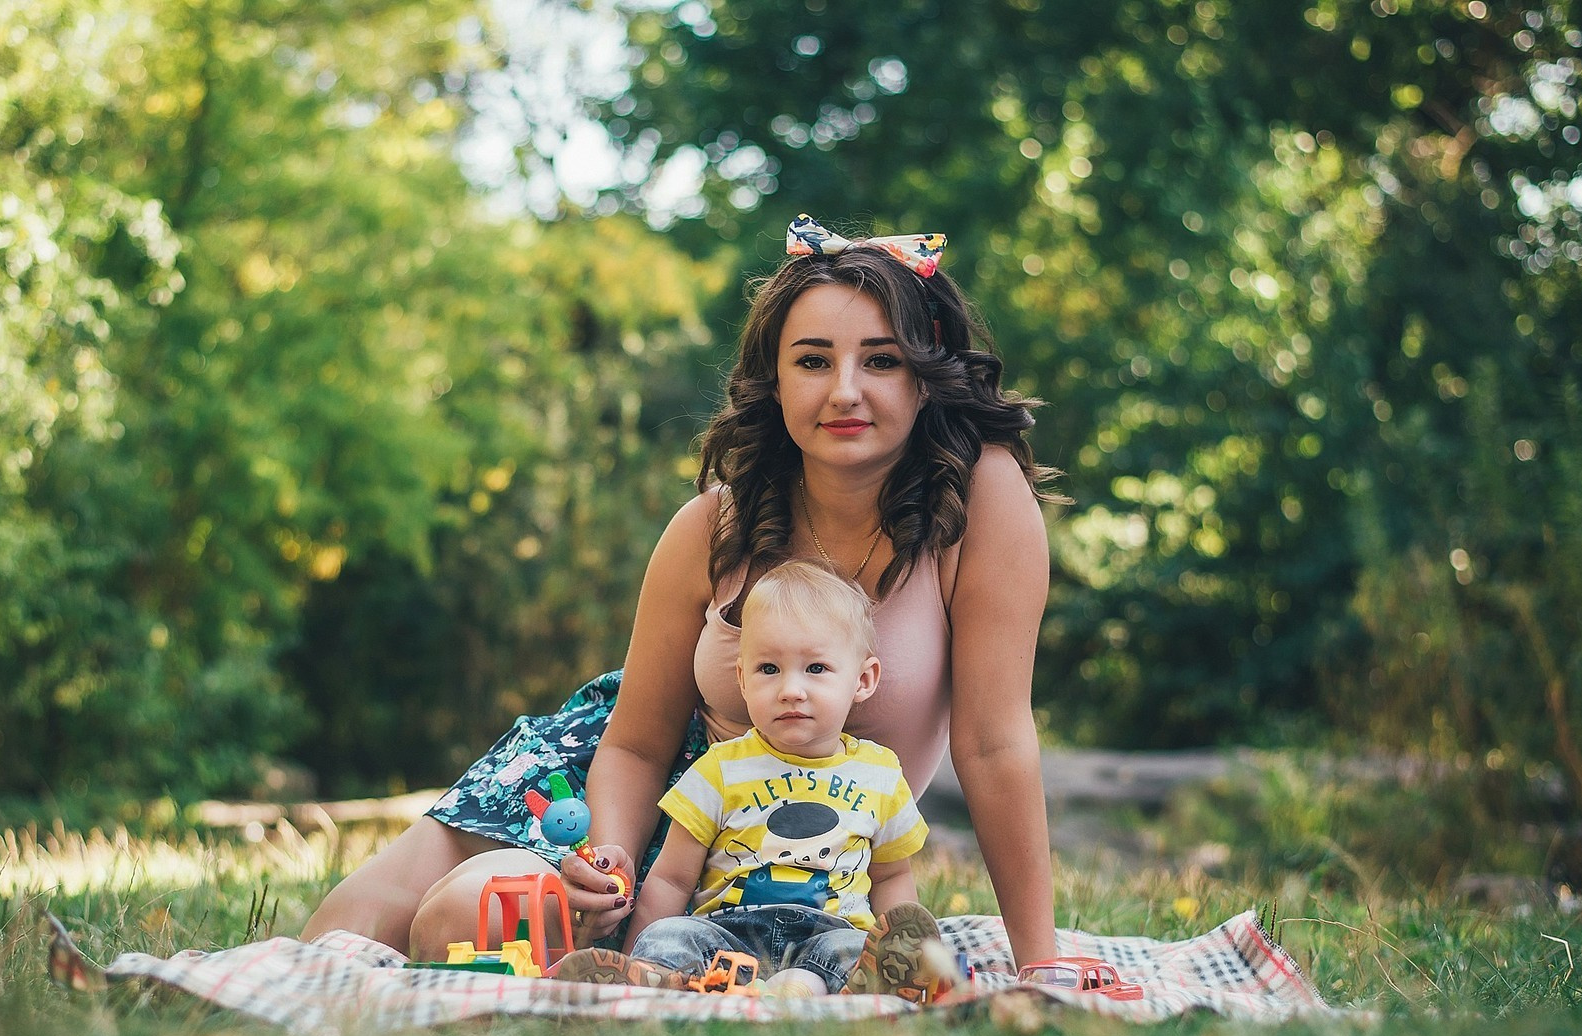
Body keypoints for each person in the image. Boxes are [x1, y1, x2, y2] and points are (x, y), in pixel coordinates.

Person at [301, 214, 1064, 979]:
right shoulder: (717, 521)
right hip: (601, 796)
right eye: (812, 360)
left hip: (754, 848)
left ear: (926, 375)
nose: (845, 391)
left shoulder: (977, 501)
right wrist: (610, 860)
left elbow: (995, 744)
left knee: (464, 916)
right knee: (336, 935)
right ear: (775, 378)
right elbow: (633, 741)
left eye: (882, 360)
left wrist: (1041, 965)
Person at [550, 560, 939, 1000]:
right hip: (726, 932)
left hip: (830, 933)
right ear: (742, 677)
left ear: (862, 680)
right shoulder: (720, 769)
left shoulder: (880, 774)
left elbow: (891, 877)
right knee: (674, 937)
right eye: (769, 669)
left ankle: (855, 986)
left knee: (854, 948)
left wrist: (905, 939)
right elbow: (672, 880)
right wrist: (640, 946)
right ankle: (647, 979)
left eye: (816, 669)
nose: (791, 689)